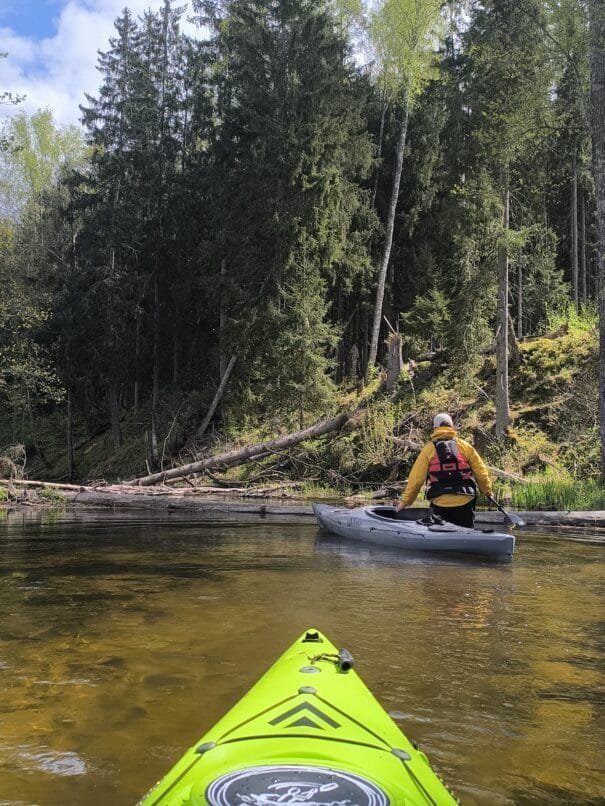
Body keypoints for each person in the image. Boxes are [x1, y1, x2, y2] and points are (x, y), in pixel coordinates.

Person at [395, 413, 493, 528]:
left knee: (440, 533)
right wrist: (488, 492)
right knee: (466, 532)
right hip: (465, 500)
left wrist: (405, 502)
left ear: (435, 428)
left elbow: (416, 480)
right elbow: (481, 472)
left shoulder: (428, 449)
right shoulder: (465, 446)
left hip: (440, 503)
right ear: (452, 427)